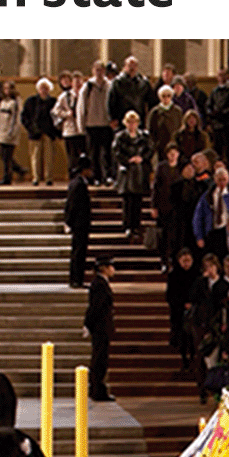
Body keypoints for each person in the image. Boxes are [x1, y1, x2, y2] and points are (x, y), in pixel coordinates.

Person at [112, 111, 154, 242]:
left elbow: (150, 149)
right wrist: (128, 159)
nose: (132, 125)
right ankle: (127, 225)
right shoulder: (120, 136)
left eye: (134, 122)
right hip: (126, 171)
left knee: (138, 200)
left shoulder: (144, 136)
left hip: (139, 171)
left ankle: (136, 226)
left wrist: (141, 158)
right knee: (127, 201)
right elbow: (116, 151)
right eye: (129, 122)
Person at [83, 256, 117, 402]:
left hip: (102, 326)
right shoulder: (99, 284)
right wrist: (88, 324)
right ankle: (97, 390)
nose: (113, 269)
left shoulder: (101, 283)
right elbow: (95, 307)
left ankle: (97, 388)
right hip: (100, 327)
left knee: (100, 358)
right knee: (99, 359)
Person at [79, 60, 114, 185]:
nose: (99, 72)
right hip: (91, 124)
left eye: (101, 69)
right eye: (97, 69)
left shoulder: (110, 85)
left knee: (107, 153)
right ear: (93, 71)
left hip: (106, 124)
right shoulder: (87, 86)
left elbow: (114, 103)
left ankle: (108, 176)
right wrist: (81, 125)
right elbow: (81, 107)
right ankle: (96, 177)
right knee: (93, 154)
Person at [21, 77, 59, 186]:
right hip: (35, 132)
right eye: (42, 88)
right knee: (35, 156)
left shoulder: (53, 102)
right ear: (38, 89)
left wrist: (55, 130)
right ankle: (35, 178)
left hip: (49, 132)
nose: (43, 90)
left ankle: (49, 178)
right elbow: (24, 117)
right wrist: (30, 128)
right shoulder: (31, 101)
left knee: (49, 157)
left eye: (46, 88)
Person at [206, 68, 229, 178]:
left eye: (223, 75)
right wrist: (212, 114)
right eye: (219, 75)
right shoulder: (214, 91)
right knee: (217, 150)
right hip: (217, 125)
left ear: (228, 76)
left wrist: (222, 113)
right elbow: (208, 105)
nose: (221, 78)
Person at [64, 154, 94, 288]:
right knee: (78, 253)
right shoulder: (79, 184)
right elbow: (72, 205)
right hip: (79, 223)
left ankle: (77, 279)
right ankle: (76, 279)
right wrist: (69, 222)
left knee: (79, 252)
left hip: (79, 223)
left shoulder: (76, 183)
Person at [165, 248, 197, 371]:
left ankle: (193, 359)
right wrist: (182, 303)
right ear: (179, 261)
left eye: (188, 260)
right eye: (184, 261)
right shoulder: (173, 275)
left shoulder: (196, 274)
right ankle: (184, 360)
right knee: (181, 337)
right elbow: (170, 295)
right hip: (179, 311)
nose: (186, 263)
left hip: (194, 311)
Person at [107, 55, 157, 132]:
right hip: (122, 119)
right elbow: (111, 101)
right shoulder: (117, 82)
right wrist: (112, 118)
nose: (132, 68)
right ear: (125, 67)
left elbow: (151, 101)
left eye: (134, 65)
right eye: (129, 65)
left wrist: (150, 119)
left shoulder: (144, 82)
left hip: (139, 119)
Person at [0, 81, 23, 185]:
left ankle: (7, 177)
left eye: (8, 88)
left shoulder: (15, 102)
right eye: (5, 88)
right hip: (1, 132)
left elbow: (17, 119)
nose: (6, 91)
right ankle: (19, 169)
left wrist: (13, 131)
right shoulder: (3, 102)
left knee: (7, 156)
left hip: (10, 132)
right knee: (2, 155)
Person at [147, 85, 183, 159]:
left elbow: (181, 127)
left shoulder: (177, 111)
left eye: (168, 95)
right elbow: (150, 129)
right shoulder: (155, 112)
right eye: (163, 96)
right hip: (160, 146)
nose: (166, 98)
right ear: (160, 97)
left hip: (174, 144)